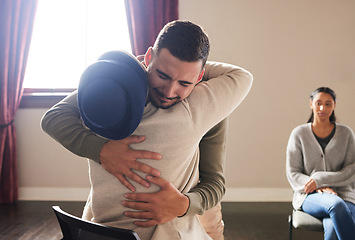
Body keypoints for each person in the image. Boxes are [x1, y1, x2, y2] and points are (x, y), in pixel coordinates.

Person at [42, 20, 253, 239]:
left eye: (184, 82)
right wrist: (101, 150)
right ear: (148, 58)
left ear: (199, 78)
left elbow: (215, 182)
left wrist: (184, 204)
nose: (170, 91)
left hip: (189, 212)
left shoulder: (205, 107)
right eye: (162, 75)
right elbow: (53, 116)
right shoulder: (116, 91)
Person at [286, 87, 355, 240]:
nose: (323, 108)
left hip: (345, 194)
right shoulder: (299, 134)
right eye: (318, 103)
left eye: (328, 104)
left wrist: (320, 180)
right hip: (309, 195)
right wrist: (316, 185)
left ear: (334, 105)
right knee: (336, 206)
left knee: (332, 230)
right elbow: (293, 173)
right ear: (311, 104)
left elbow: (352, 170)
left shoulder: (346, 134)